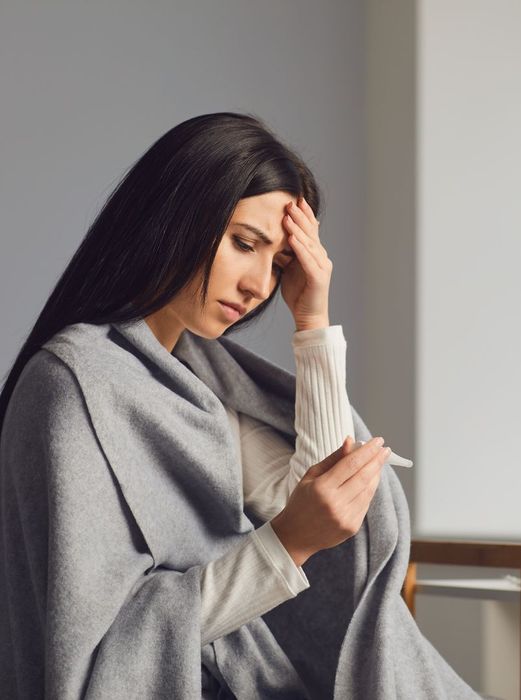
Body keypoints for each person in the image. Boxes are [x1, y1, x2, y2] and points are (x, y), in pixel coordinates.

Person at [0, 113, 482, 699]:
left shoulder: (205, 383)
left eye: (278, 264)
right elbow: (98, 653)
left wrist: (312, 321)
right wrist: (287, 544)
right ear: (175, 216)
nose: (259, 285)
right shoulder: (72, 385)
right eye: (244, 244)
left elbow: (330, 522)